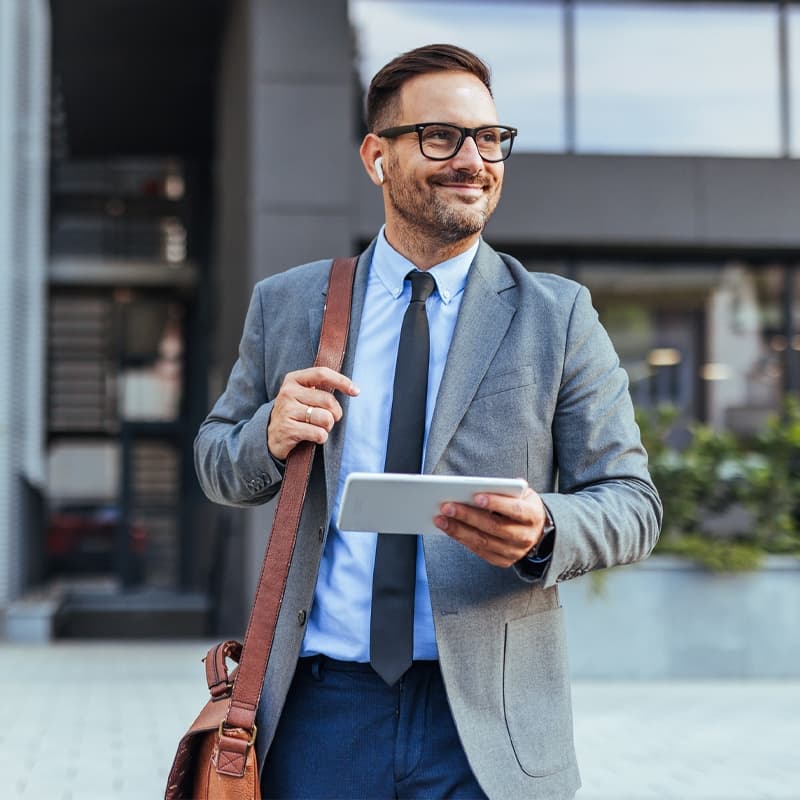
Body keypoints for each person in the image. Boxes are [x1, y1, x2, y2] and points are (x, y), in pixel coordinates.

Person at [195, 43, 662, 800]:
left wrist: (545, 528)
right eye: (441, 136)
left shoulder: (558, 315)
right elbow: (215, 460)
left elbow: (633, 503)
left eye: (489, 138)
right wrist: (268, 435)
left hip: (488, 724)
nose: (472, 160)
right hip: (319, 714)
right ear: (377, 156)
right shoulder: (290, 304)